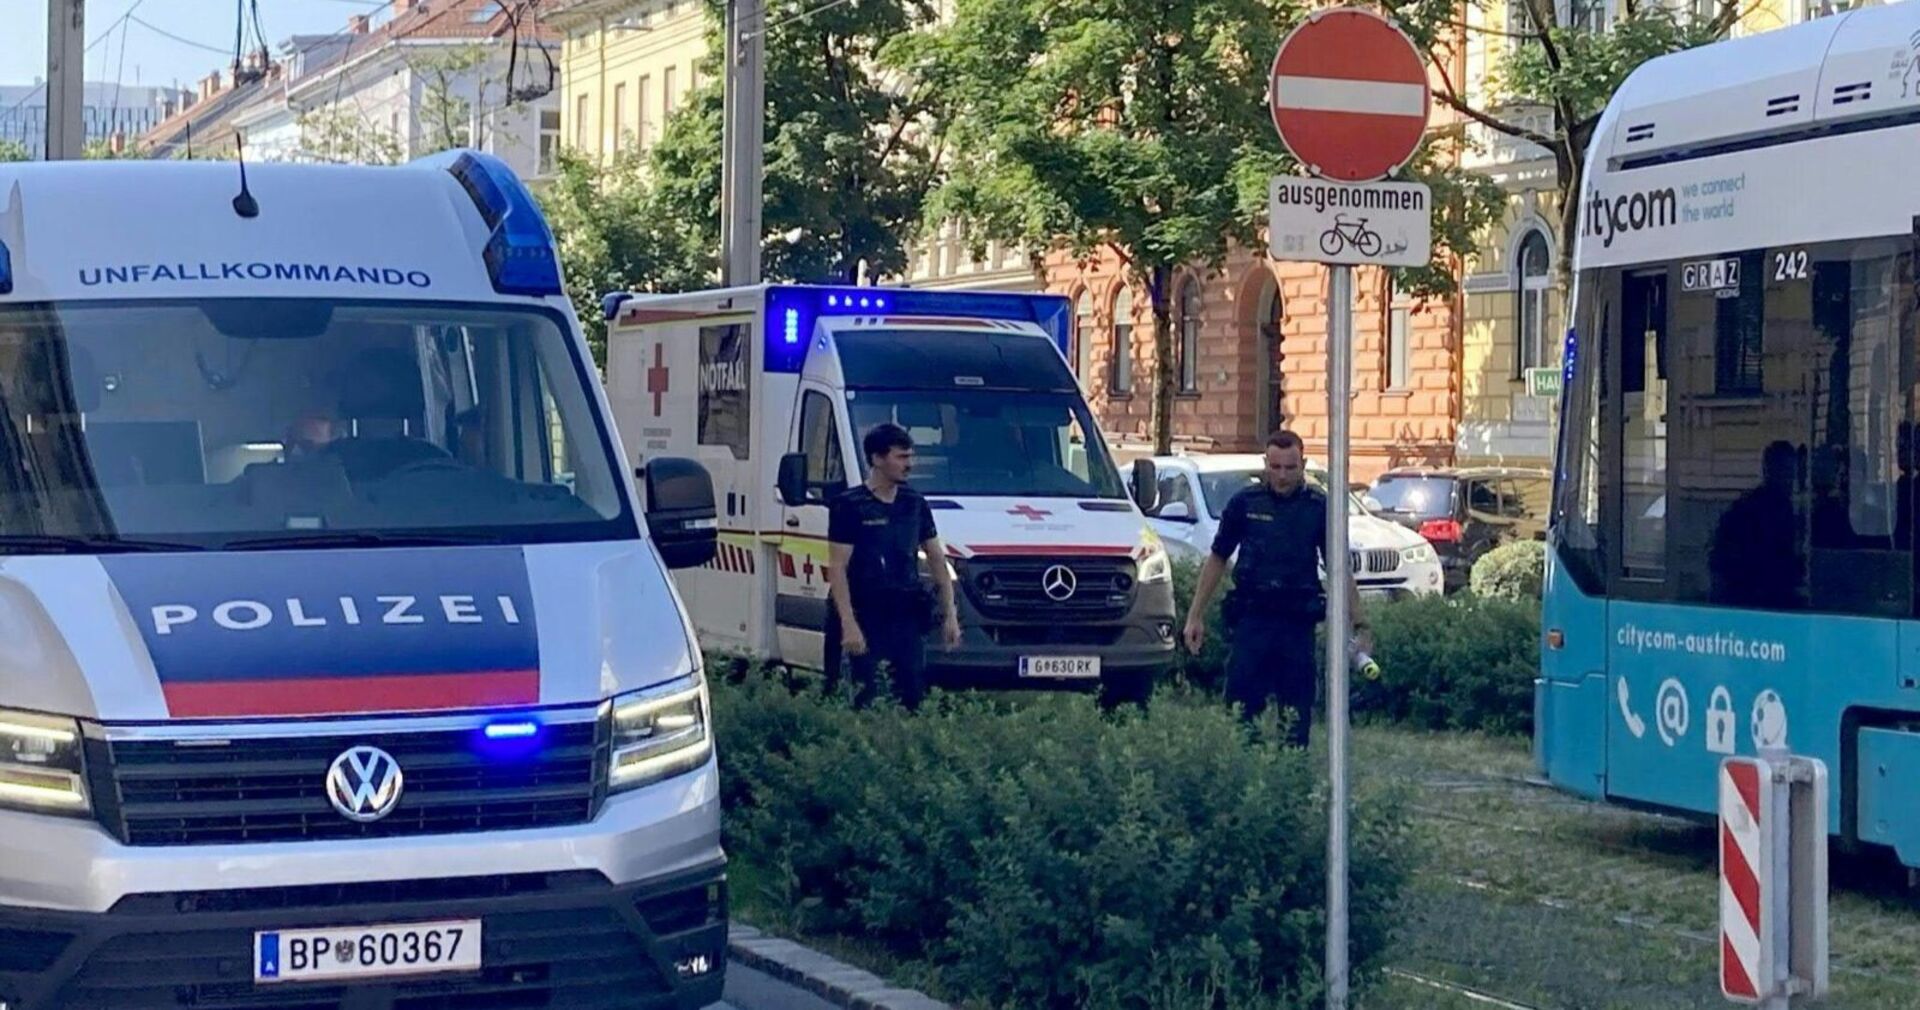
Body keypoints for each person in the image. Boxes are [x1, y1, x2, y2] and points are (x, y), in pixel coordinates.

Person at [1181, 429, 1371, 746]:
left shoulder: (1318, 507)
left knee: (1296, 718)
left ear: (1303, 464)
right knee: (1241, 715)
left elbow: (1339, 569)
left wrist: (1361, 623)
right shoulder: (1244, 503)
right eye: (1276, 466)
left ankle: (1292, 785)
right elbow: (1217, 558)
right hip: (1252, 621)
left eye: (1290, 467)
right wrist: (1195, 615)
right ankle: (1245, 783)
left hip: (1296, 625)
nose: (1282, 475)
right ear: (1265, 464)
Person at [827, 423, 961, 710]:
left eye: (910, 457)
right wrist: (848, 624)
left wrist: (950, 613)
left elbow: (937, 559)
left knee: (911, 693)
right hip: (865, 612)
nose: (909, 465)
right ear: (877, 459)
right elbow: (837, 567)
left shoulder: (914, 503)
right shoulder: (849, 505)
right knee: (865, 694)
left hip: (904, 613)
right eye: (901, 457)